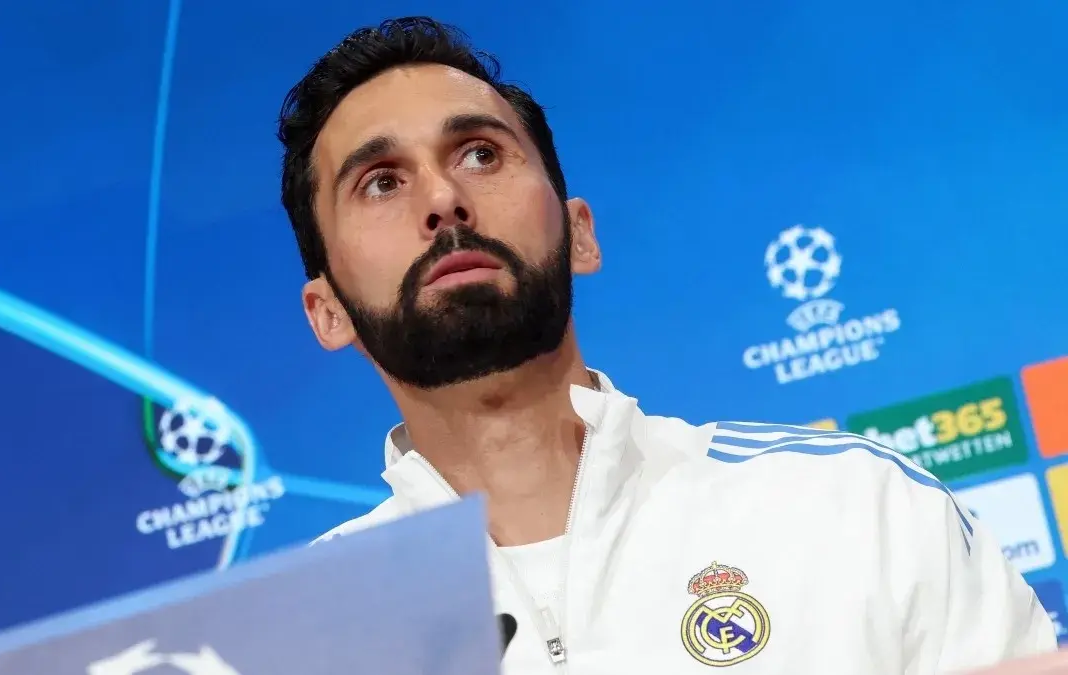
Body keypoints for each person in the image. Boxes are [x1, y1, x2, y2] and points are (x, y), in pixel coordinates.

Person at [276, 16, 1055, 674]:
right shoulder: (287, 642)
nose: (444, 199)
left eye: (480, 153)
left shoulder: (861, 507)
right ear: (327, 310)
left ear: (580, 234)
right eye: (381, 181)